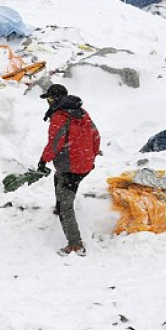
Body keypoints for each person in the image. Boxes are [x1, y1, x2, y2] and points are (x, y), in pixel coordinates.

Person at [36, 84, 101, 257]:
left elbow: (54, 143)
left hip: (71, 166)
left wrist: (43, 160)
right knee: (61, 181)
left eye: (50, 99)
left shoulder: (60, 116)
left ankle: (75, 244)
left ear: (56, 99)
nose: (48, 102)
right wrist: (91, 156)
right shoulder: (81, 112)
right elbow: (96, 135)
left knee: (67, 204)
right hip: (83, 164)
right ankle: (58, 207)